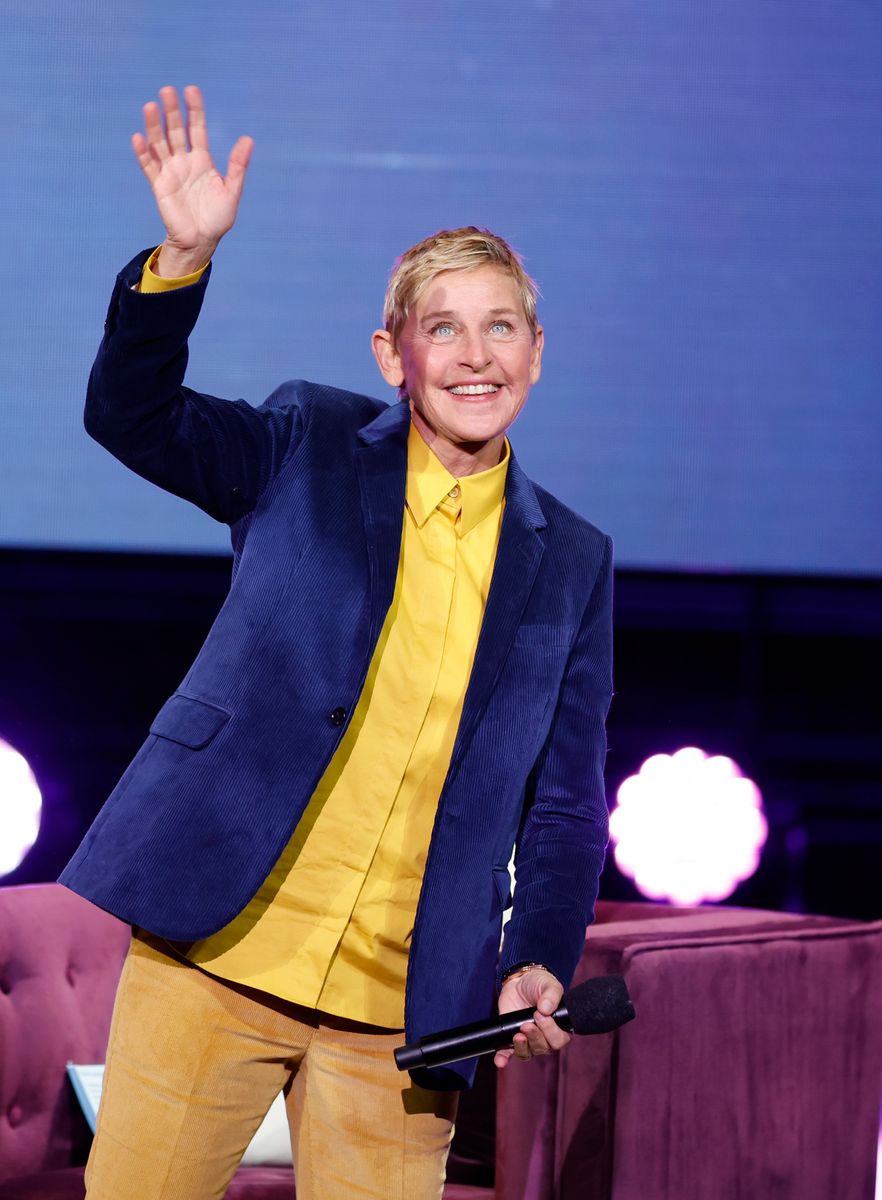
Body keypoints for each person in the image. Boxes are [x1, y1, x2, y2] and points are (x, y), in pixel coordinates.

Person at [60, 85, 614, 1200]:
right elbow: (133, 417)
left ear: (538, 353)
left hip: (404, 1017)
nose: (473, 355)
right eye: (440, 328)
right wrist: (182, 258)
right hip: (214, 958)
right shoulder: (306, 442)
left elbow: (566, 805)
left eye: (500, 325)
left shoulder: (575, 561)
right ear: (390, 354)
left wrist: (538, 953)